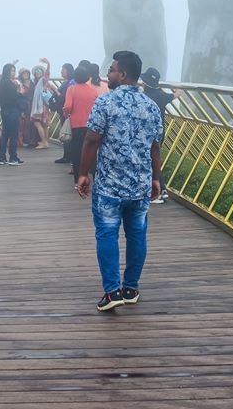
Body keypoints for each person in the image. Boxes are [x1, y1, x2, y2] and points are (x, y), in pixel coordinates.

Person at [77, 51, 162, 312]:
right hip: (140, 185)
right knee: (137, 235)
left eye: (112, 70)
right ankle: (131, 287)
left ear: (123, 74)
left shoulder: (106, 103)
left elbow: (92, 139)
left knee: (107, 235)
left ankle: (113, 292)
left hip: (109, 187)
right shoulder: (151, 106)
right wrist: (156, 179)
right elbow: (155, 146)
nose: (108, 74)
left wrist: (83, 173)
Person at [140, 67, 180, 204]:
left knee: (149, 162)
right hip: (159, 133)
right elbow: (177, 94)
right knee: (154, 160)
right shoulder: (162, 96)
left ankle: (157, 192)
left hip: (145, 134)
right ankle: (162, 190)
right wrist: (174, 89)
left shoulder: (144, 96)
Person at [62, 65, 99, 186]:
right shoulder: (93, 91)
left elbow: (67, 106)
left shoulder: (71, 89)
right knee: (92, 153)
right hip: (91, 126)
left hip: (76, 126)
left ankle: (78, 180)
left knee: (77, 153)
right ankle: (96, 179)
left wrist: (67, 113)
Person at [0, 63, 24, 165]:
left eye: (14, 70)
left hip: (5, 111)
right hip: (12, 111)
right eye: (12, 70)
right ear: (7, 71)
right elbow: (13, 98)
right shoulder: (8, 83)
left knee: (5, 134)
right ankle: (13, 157)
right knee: (13, 134)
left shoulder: (3, 82)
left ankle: (2, 157)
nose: (13, 73)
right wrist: (19, 92)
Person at [52, 63, 75, 164]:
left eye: (63, 69)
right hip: (65, 111)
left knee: (66, 132)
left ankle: (68, 156)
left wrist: (55, 90)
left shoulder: (69, 83)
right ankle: (68, 155)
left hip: (65, 112)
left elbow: (63, 98)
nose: (61, 71)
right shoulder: (69, 82)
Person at [30, 59, 53, 149]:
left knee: (37, 123)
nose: (38, 73)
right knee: (44, 125)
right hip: (44, 105)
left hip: (40, 106)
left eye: (39, 71)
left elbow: (47, 74)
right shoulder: (40, 82)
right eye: (36, 72)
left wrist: (48, 64)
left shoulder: (43, 80)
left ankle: (44, 142)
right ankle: (45, 142)